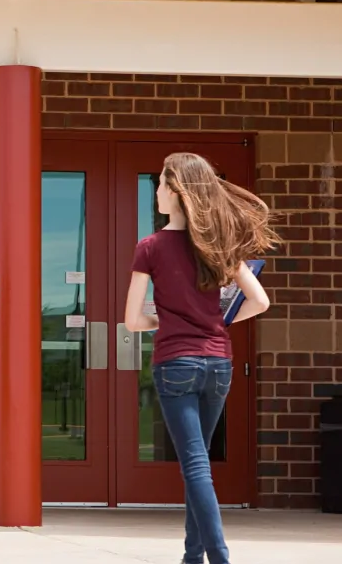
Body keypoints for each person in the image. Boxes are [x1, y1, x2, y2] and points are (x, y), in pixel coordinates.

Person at [123, 152, 277, 564]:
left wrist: (166, 319)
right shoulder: (218, 243)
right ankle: (192, 557)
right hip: (218, 364)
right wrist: (218, 319)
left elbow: (131, 321)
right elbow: (259, 301)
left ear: (176, 191)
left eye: (159, 184)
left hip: (176, 364)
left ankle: (219, 558)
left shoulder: (149, 247)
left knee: (195, 466)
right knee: (200, 464)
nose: (155, 191)